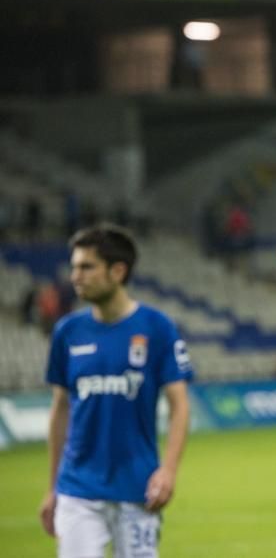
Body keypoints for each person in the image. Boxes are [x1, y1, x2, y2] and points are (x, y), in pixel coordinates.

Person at [39, 224, 193, 558]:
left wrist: (168, 470)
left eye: (86, 266)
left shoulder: (158, 328)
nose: (75, 275)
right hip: (78, 490)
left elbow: (179, 404)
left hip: (139, 489)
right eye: (74, 266)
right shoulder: (67, 332)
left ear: (118, 271)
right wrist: (53, 487)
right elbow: (60, 409)